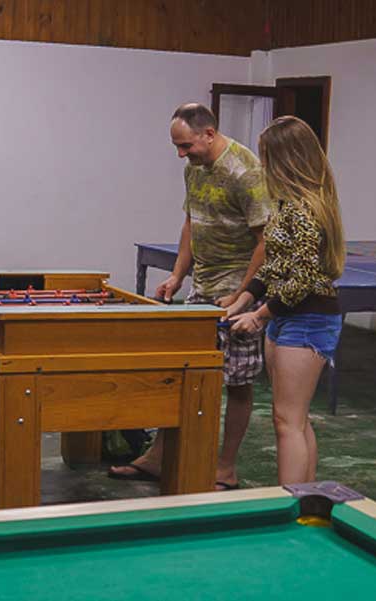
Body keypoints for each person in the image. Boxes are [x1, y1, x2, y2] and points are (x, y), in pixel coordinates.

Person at [108, 103, 271, 490]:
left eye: (186, 146)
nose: (182, 154)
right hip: (203, 285)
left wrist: (243, 295)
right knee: (181, 372)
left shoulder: (246, 171)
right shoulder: (194, 168)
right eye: (177, 147)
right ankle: (158, 458)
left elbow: (265, 241)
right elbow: (191, 222)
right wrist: (178, 275)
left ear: (209, 134)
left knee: (236, 381)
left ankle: (225, 468)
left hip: (237, 290)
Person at [227, 116, 344, 485]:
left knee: (287, 421)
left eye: (265, 156)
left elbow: (303, 278)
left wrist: (259, 315)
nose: (262, 165)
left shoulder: (305, 209)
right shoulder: (284, 205)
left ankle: (291, 501)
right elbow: (277, 264)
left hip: (307, 318)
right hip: (287, 316)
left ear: (284, 159)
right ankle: (304, 497)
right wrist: (244, 299)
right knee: (293, 418)